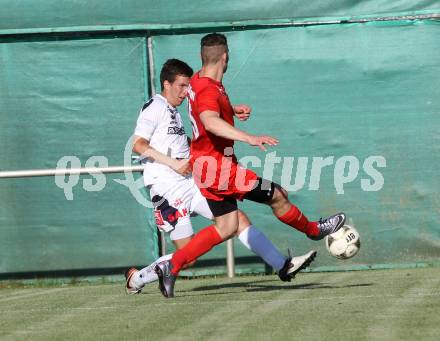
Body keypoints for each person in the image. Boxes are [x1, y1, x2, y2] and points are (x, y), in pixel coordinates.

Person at [155, 34, 346, 298]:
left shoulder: (199, 80)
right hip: (221, 170)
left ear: (203, 58)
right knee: (277, 195)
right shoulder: (209, 88)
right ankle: (314, 230)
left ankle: (171, 266)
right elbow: (209, 120)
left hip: (205, 168)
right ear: (225, 57)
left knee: (226, 227)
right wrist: (249, 137)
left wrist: (231, 110)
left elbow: (205, 107)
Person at [125, 59, 317, 294]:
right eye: (181, 86)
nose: (186, 93)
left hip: (189, 182)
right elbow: (138, 144)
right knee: (190, 257)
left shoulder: (173, 110)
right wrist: (174, 163)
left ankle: (282, 266)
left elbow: (199, 120)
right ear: (167, 83)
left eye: (188, 87)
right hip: (166, 189)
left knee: (237, 221)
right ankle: (138, 278)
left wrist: (229, 110)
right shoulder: (155, 106)